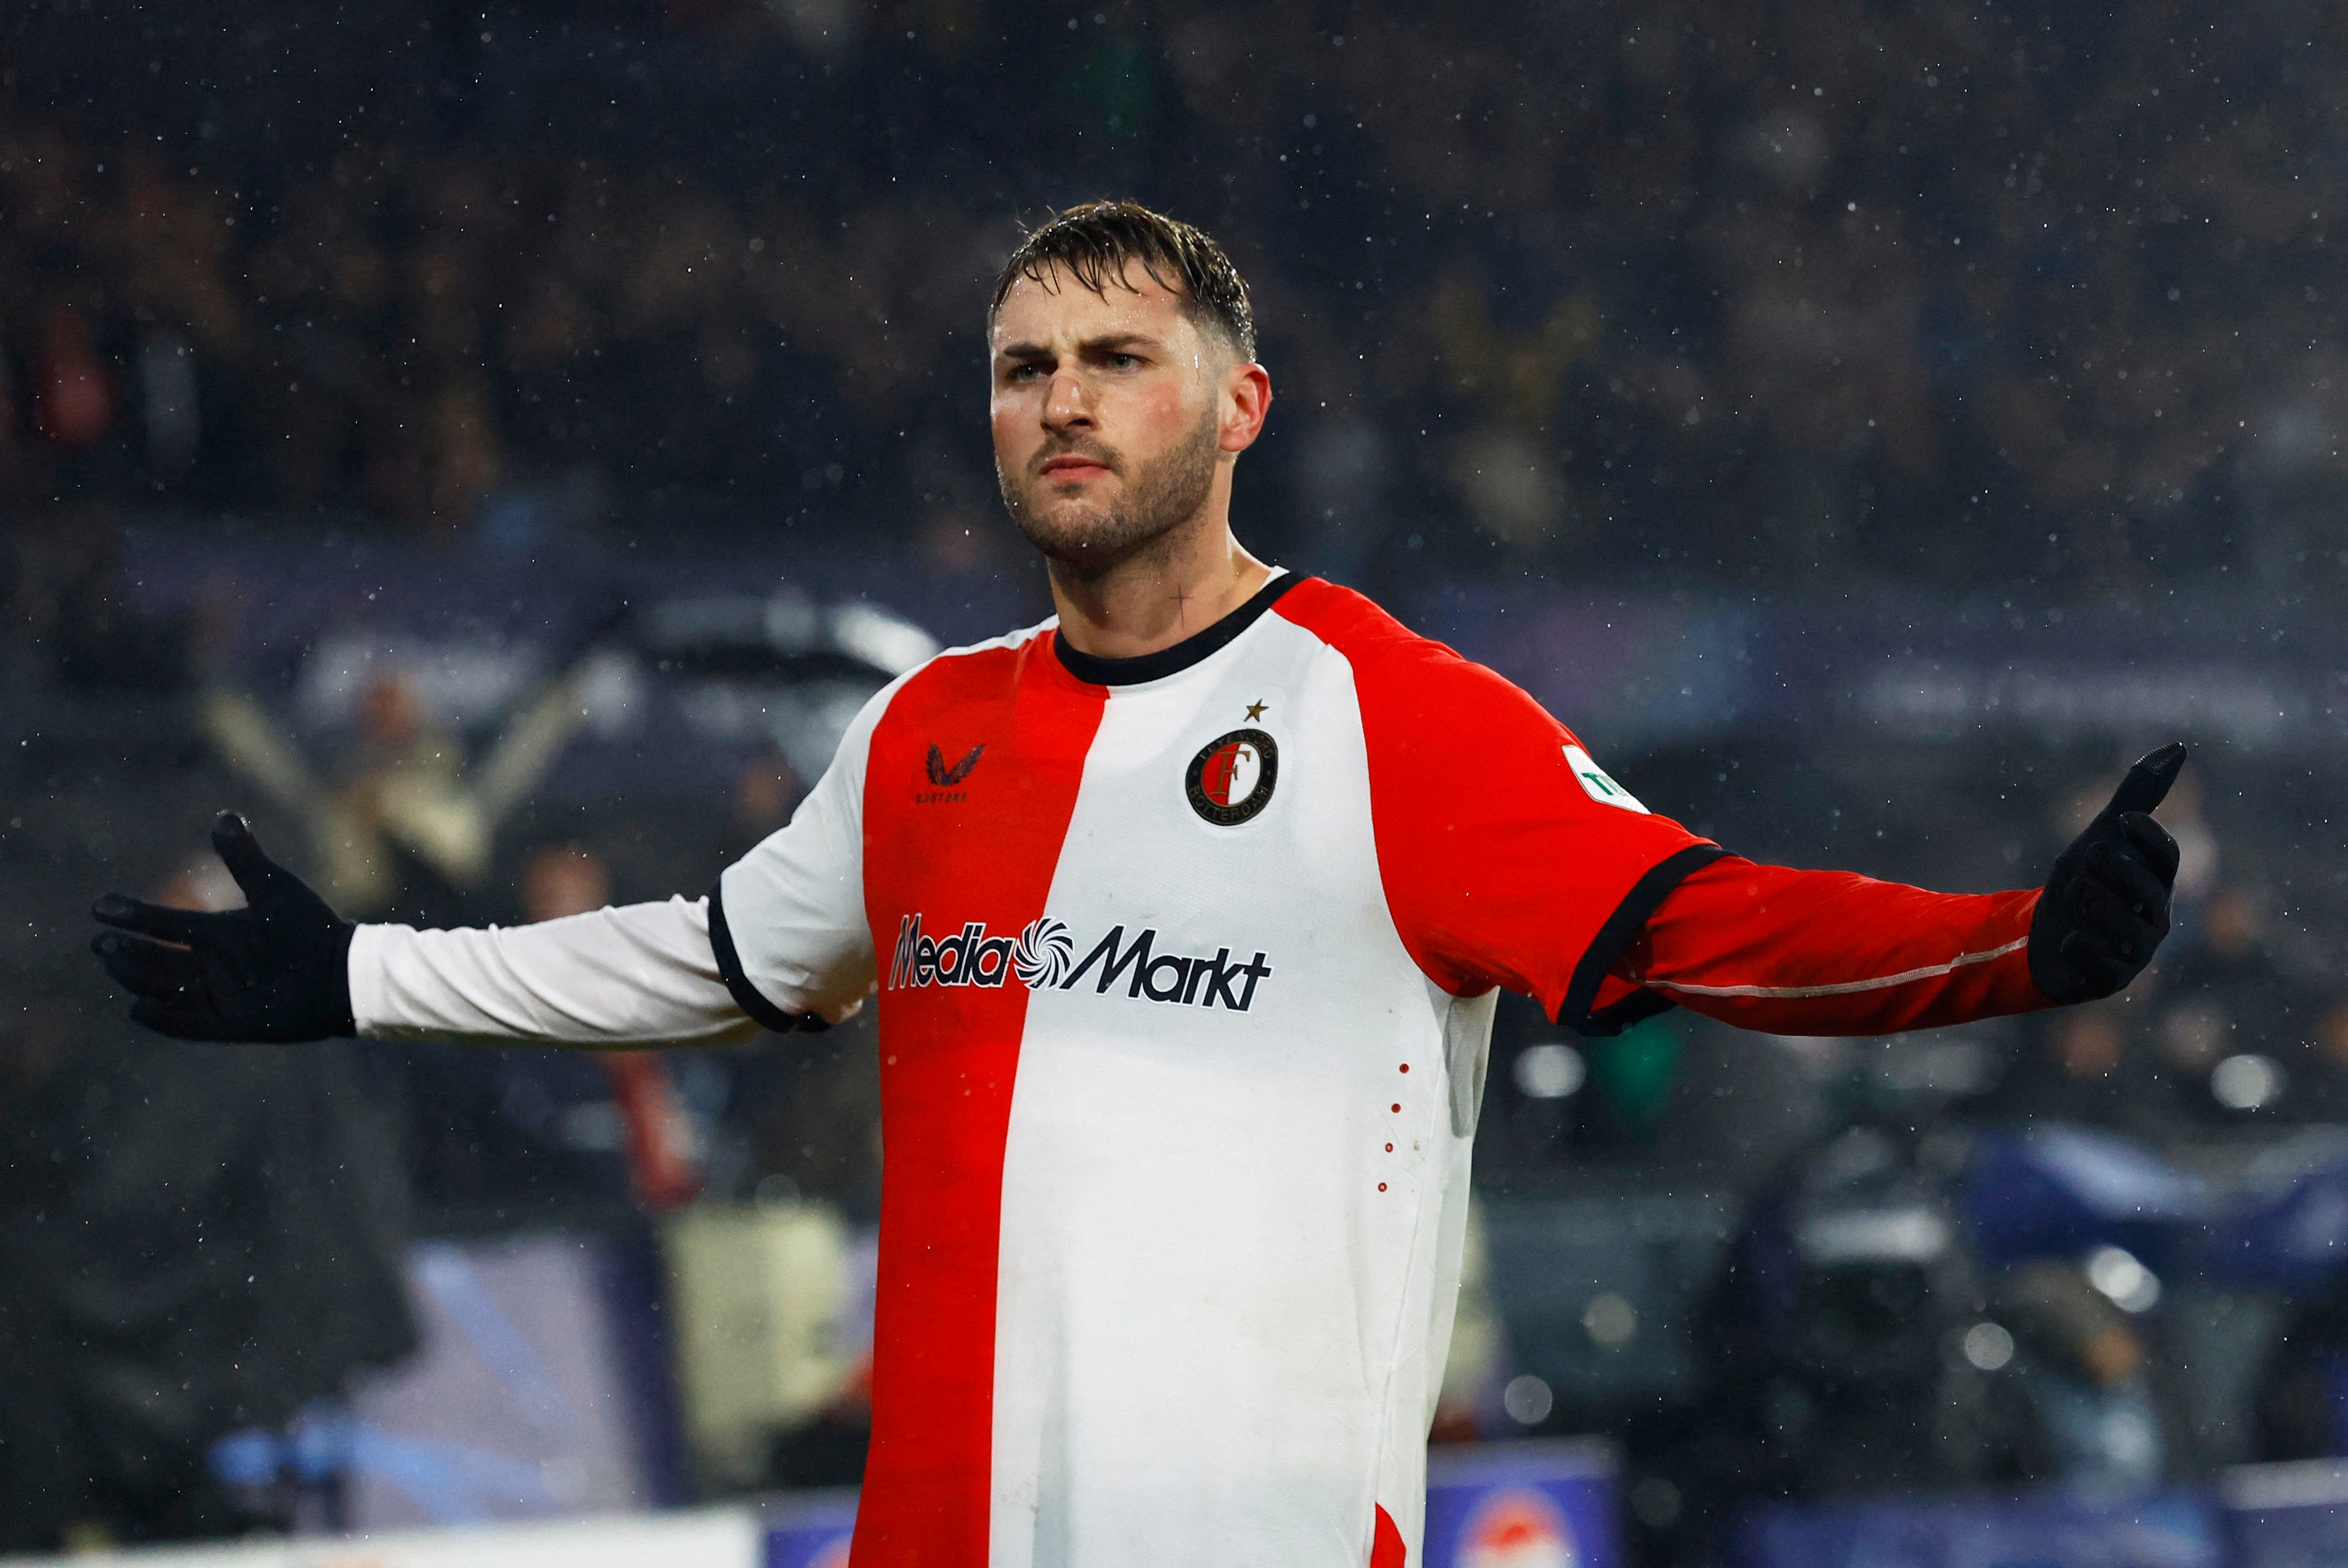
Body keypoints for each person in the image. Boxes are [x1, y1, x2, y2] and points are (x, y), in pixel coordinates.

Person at [90, 202, 2185, 1566]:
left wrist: (2017, 942)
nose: (1064, 403)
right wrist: (362, 969)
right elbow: (719, 952)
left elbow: (1705, 912)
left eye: (1118, 358)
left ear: (1240, 406)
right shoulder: (929, 735)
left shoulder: (1398, 715)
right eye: (1026, 367)